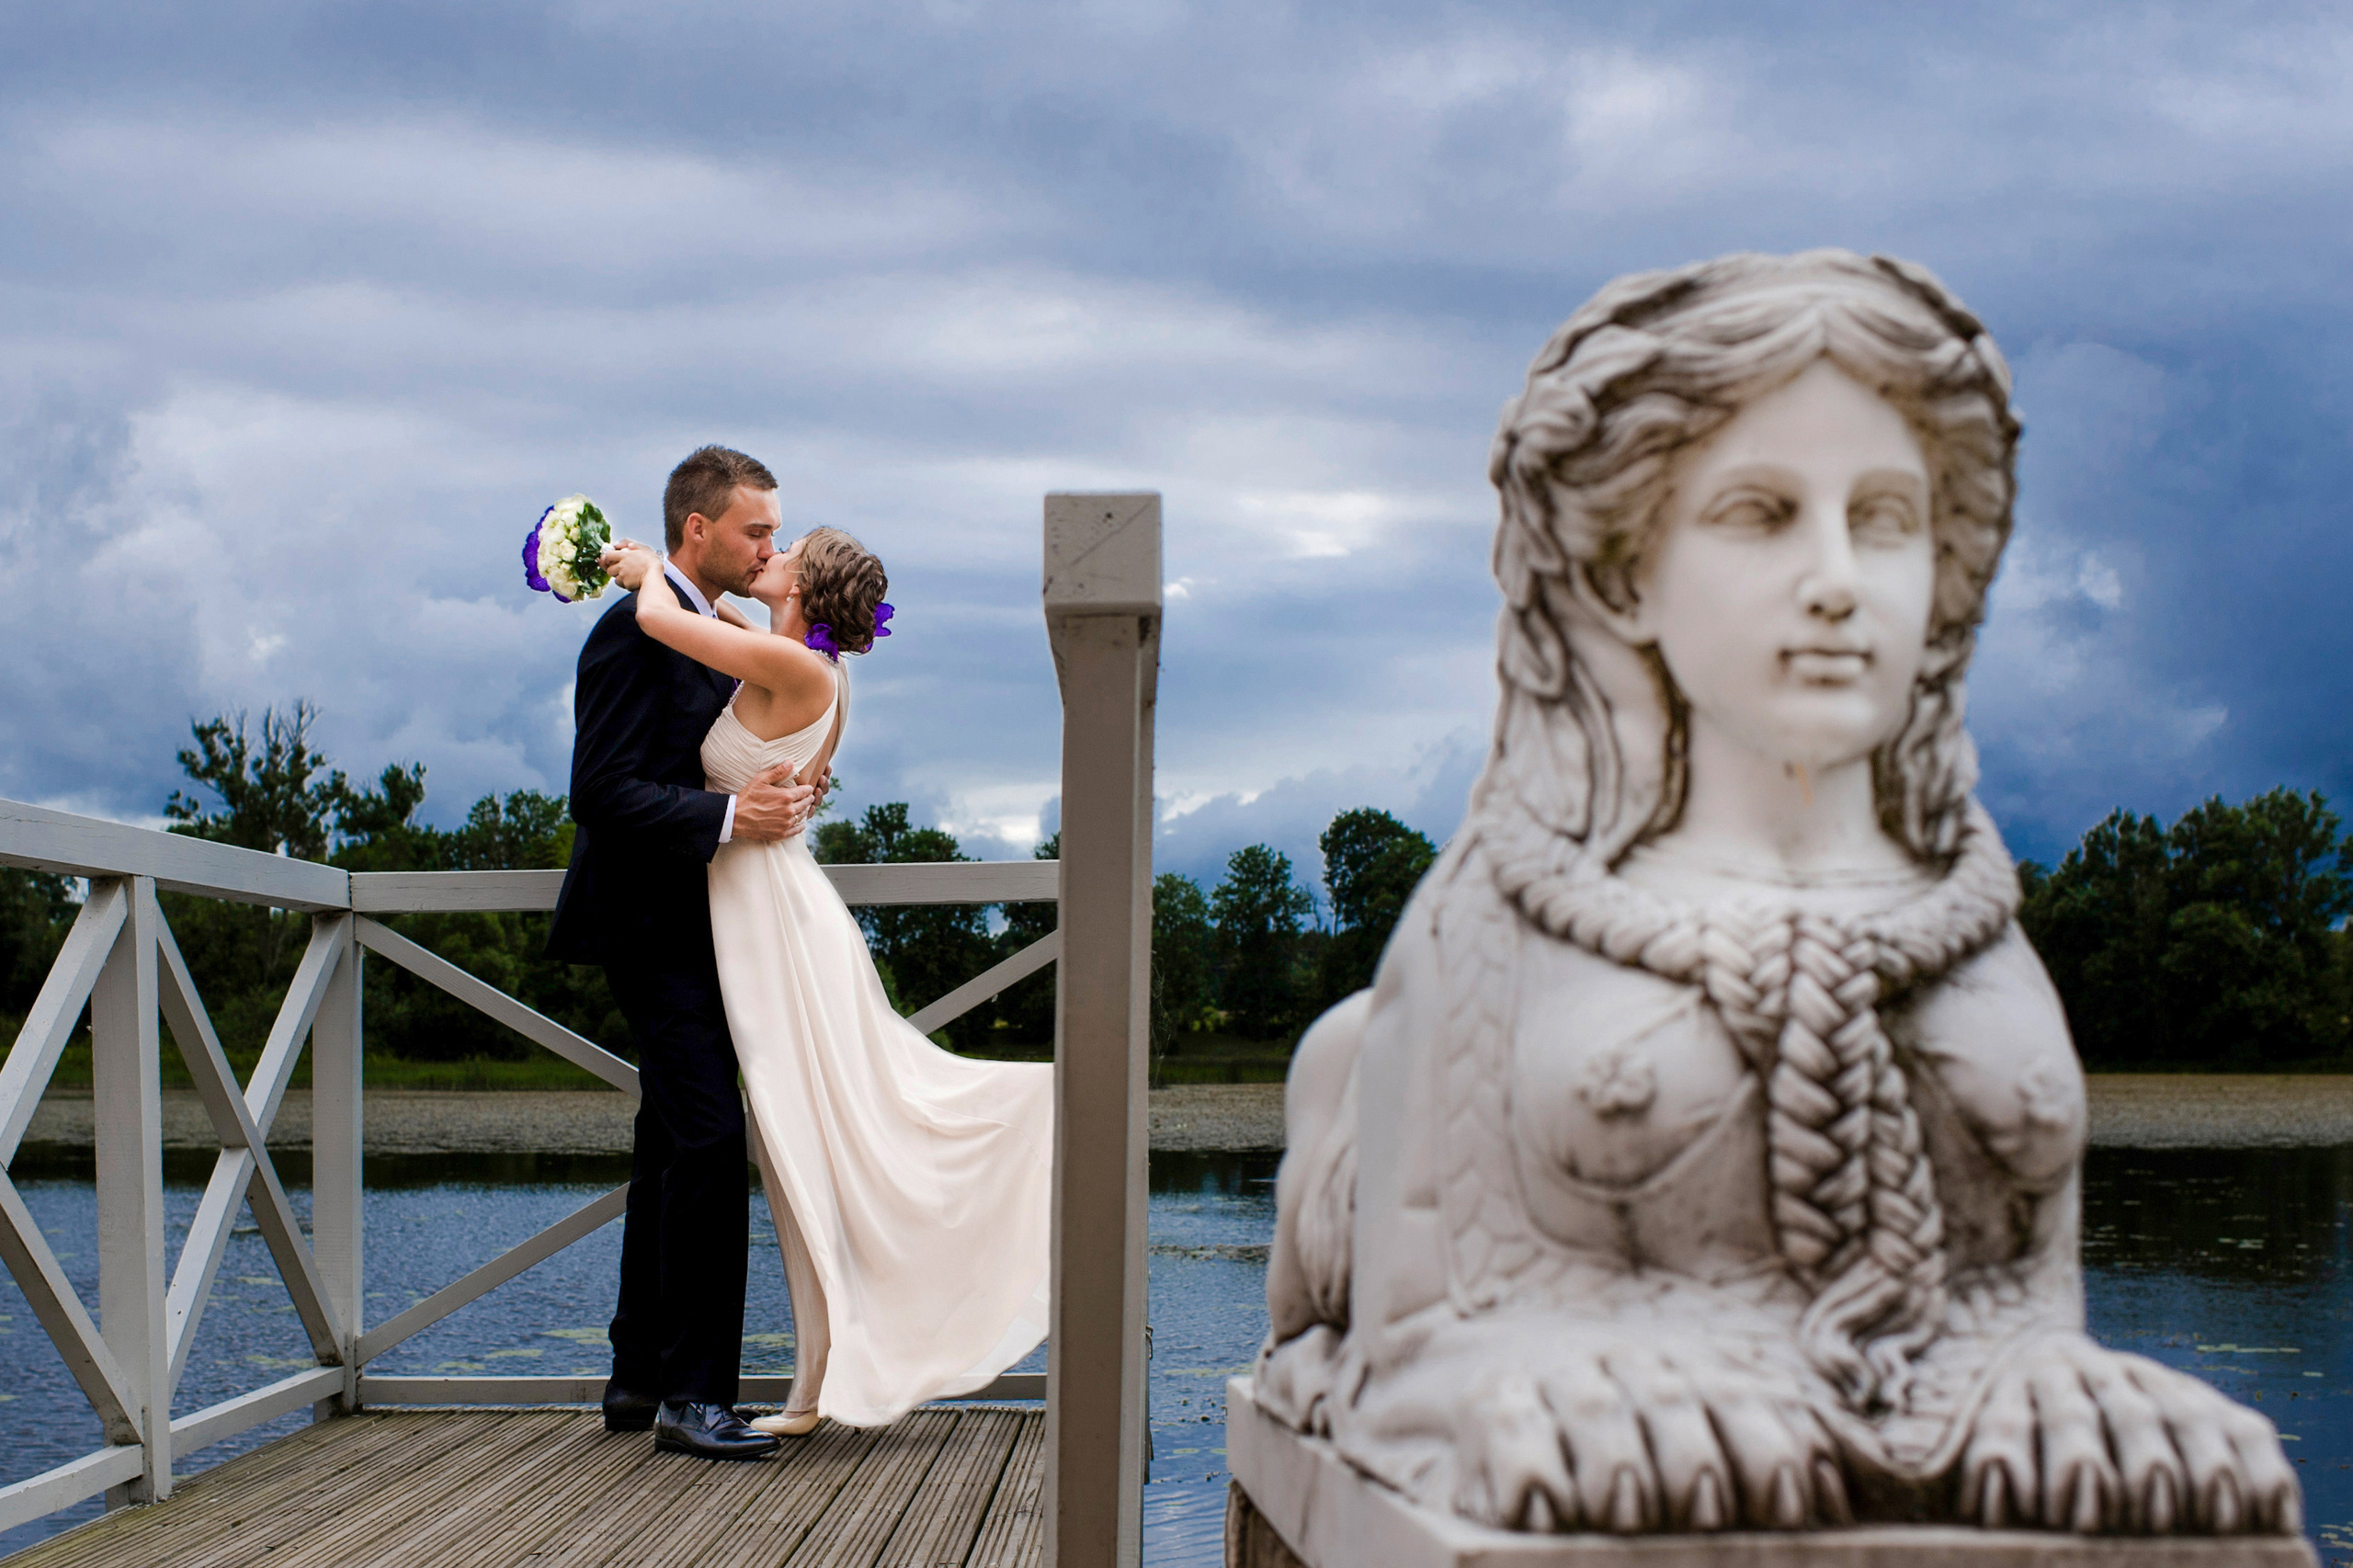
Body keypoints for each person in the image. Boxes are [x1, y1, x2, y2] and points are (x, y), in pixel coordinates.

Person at [1256, 252, 2300, 1536]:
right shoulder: (1492, 924)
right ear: (1627, 570)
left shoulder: (1980, 933)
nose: (1838, 578)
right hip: (1424, 1158)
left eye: (1885, 517)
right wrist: (1520, 1375)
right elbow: (1413, 1335)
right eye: (1759, 511)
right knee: (1348, 1057)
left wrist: (2054, 1389)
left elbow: (2021, 1306)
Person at [597, 523, 1053, 1435]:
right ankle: (805, 1381)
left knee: (814, 1138)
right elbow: (713, 620)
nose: (771, 550)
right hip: (764, 907)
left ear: (806, 584)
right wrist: (690, 586)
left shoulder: (797, 669)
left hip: (771, 921)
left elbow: (661, 619)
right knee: (799, 1140)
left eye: (787, 547)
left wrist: (651, 568)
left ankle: (822, 1380)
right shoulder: (804, 665)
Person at [547, 445, 818, 1461]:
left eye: (774, 530)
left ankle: (637, 1376)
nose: (767, 546)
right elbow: (601, 791)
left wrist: (771, 796)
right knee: (708, 1141)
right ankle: (694, 1397)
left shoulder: (710, 629)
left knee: (670, 1144)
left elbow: (725, 752)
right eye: (755, 529)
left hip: (705, 922)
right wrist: (728, 813)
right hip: (646, 921)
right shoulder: (627, 634)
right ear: (696, 529)